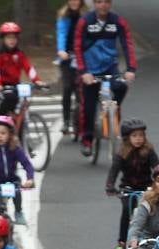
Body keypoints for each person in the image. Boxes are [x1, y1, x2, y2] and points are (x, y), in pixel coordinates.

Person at [72, 0, 137, 157]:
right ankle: (87, 140)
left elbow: (127, 44)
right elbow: (78, 47)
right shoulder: (84, 22)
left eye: (107, 2)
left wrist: (130, 69)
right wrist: (83, 72)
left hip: (110, 68)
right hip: (89, 71)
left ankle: (115, 111)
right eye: (99, 2)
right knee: (87, 107)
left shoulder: (117, 21)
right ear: (94, 4)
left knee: (122, 86)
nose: (103, 5)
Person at [106, 118, 159, 249]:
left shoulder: (149, 151)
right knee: (126, 211)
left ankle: (154, 240)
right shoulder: (121, 153)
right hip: (127, 188)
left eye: (141, 135)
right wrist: (110, 186)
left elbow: (157, 168)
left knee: (151, 212)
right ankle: (122, 243)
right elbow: (114, 171)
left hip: (146, 187)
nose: (138, 139)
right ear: (127, 138)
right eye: (134, 136)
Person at [0, 21, 44, 127]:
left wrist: (36, 80)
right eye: (9, 38)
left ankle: (18, 133)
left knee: (21, 107)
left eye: (14, 38)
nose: (12, 40)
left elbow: (28, 68)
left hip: (15, 85)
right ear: (3, 40)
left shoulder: (20, 54)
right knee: (10, 99)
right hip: (2, 86)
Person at [55, 0, 85, 136]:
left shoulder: (87, 16)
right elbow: (61, 34)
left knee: (82, 90)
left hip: (82, 57)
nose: (74, 2)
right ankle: (66, 121)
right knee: (67, 87)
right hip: (67, 57)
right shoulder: (63, 16)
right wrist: (61, 50)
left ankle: (83, 119)